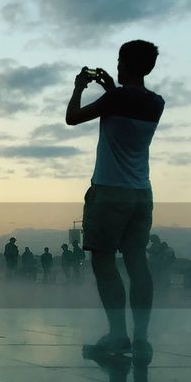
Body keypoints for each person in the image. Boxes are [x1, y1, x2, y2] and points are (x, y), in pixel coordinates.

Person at [66, 40, 164, 361]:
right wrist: (111, 89)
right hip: (141, 193)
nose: (117, 65)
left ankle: (118, 334)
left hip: (109, 191)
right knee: (137, 262)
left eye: (119, 60)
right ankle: (142, 338)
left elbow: (73, 117)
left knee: (104, 263)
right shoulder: (156, 103)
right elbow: (125, 105)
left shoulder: (115, 98)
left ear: (125, 63)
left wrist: (80, 87)